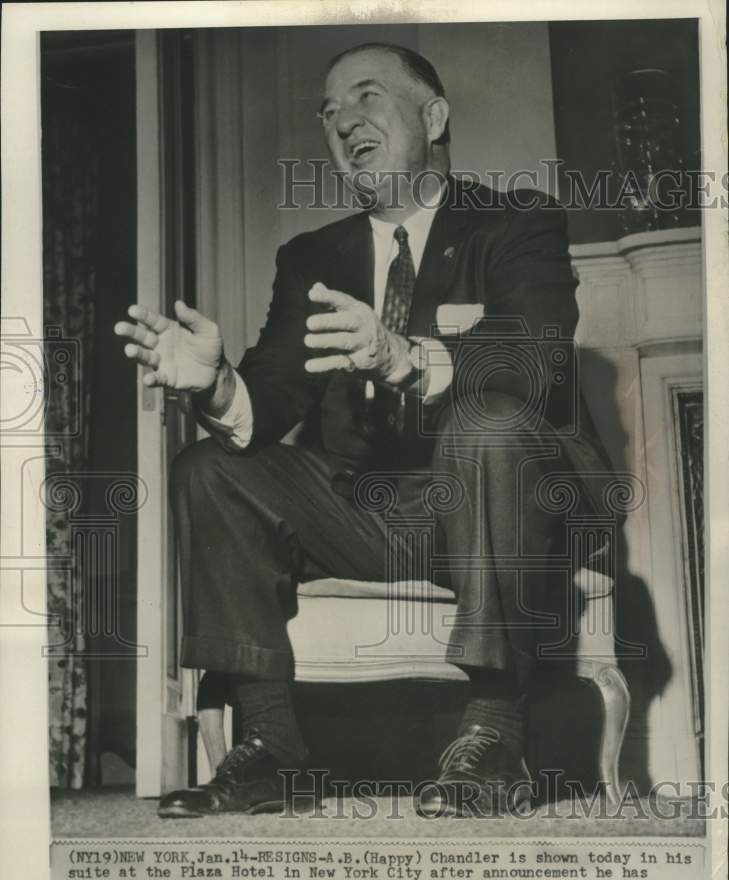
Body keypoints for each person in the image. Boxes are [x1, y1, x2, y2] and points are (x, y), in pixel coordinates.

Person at [116, 42, 611, 819]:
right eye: (329, 111)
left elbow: (534, 362)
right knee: (208, 467)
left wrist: (408, 357)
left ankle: (491, 735)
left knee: (488, 423)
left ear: (434, 116)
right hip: (371, 512)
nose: (344, 122)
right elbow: (273, 392)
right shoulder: (312, 256)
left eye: (367, 98)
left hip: (507, 502)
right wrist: (214, 383)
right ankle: (271, 749)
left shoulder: (516, 222)